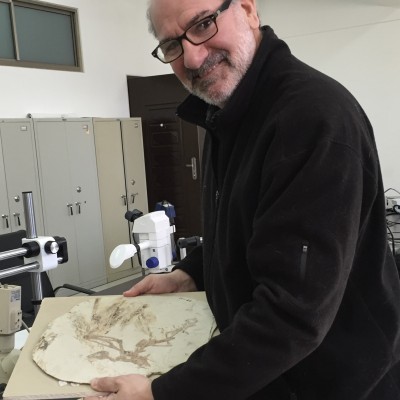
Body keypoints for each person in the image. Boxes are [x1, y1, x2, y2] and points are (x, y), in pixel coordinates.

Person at [88, 0, 400, 399]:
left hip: (334, 384)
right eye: (172, 46)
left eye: (202, 24)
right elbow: (245, 228)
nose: (193, 56)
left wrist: (162, 393)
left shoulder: (310, 119)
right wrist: (190, 273)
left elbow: (292, 314)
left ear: (249, 10)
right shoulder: (226, 112)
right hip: (270, 375)